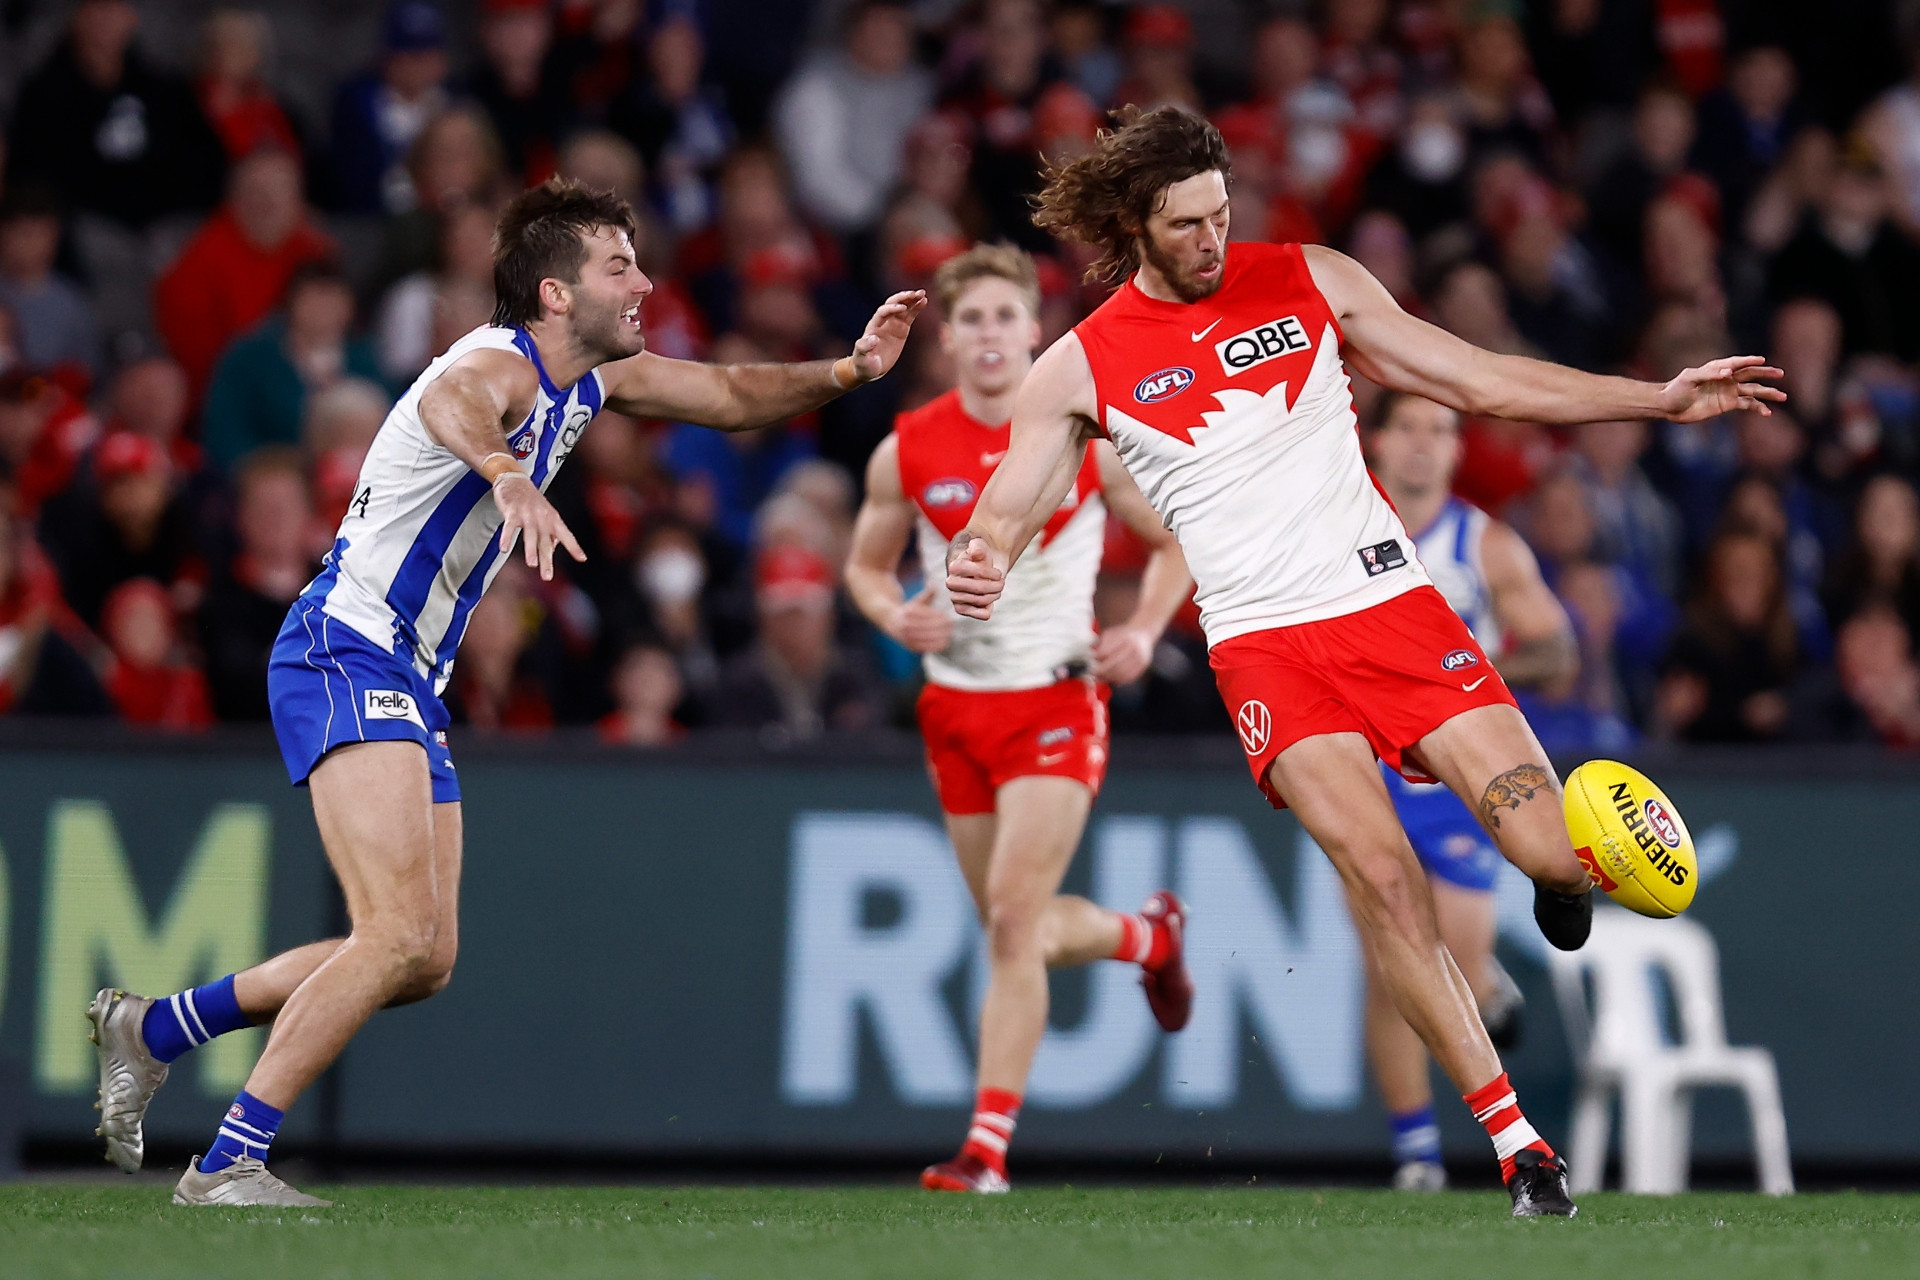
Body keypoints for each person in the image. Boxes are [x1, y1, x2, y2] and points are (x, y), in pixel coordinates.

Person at [945, 106, 1784, 1218]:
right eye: (1185, 223)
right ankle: (1520, 1144)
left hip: (1393, 611)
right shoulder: (1081, 362)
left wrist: (1658, 396)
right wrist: (982, 555)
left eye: (1220, 212)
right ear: (1134, 224)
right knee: (1385, 881)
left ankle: (1557, 877)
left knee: (1556, 846)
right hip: (1266, 651)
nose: (1211, 237)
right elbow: (1012, 502)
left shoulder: (1313, 279)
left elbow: (1480, 377)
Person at [86, 177, 926, 1207]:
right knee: (393, 930)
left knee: (422, 953)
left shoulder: (596, 381)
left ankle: (154, 1026)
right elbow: (454, 397)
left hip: (402, 672)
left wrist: (849, 368)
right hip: (345, 648)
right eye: (619, 265)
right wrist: (504, 469)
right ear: (554, 292)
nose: (645, 280)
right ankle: (227, 1161)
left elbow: (731, 394)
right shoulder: (496, 363)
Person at [845, 244, 1194, 1193]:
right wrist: (894, 615)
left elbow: (1175, 546)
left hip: (1055, 694)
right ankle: (1148, 939)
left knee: (1009, 925)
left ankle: (985, 1150)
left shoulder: (1085, 438)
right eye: (973, 320)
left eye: (1007, 316)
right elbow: (866, 569)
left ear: (1037, 332)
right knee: (1019, 931)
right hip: (954, 708)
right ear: (947, 341)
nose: (991, 334)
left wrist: (1145, 628)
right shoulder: (908, 445)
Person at [1359, 391, 1578, 1191]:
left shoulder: (1484, 544)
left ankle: (1484, 984)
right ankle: (1415, 1152)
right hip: (1367, 761)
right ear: (1376, 439)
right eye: (1408, 426)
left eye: (1440, 430)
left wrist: (1464, 673)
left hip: (1453, 772)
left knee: (1451, 948)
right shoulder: (1336, 522)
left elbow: (1556, 651)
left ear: (1456, 450)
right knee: (1388, 954)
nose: (1422, 445)